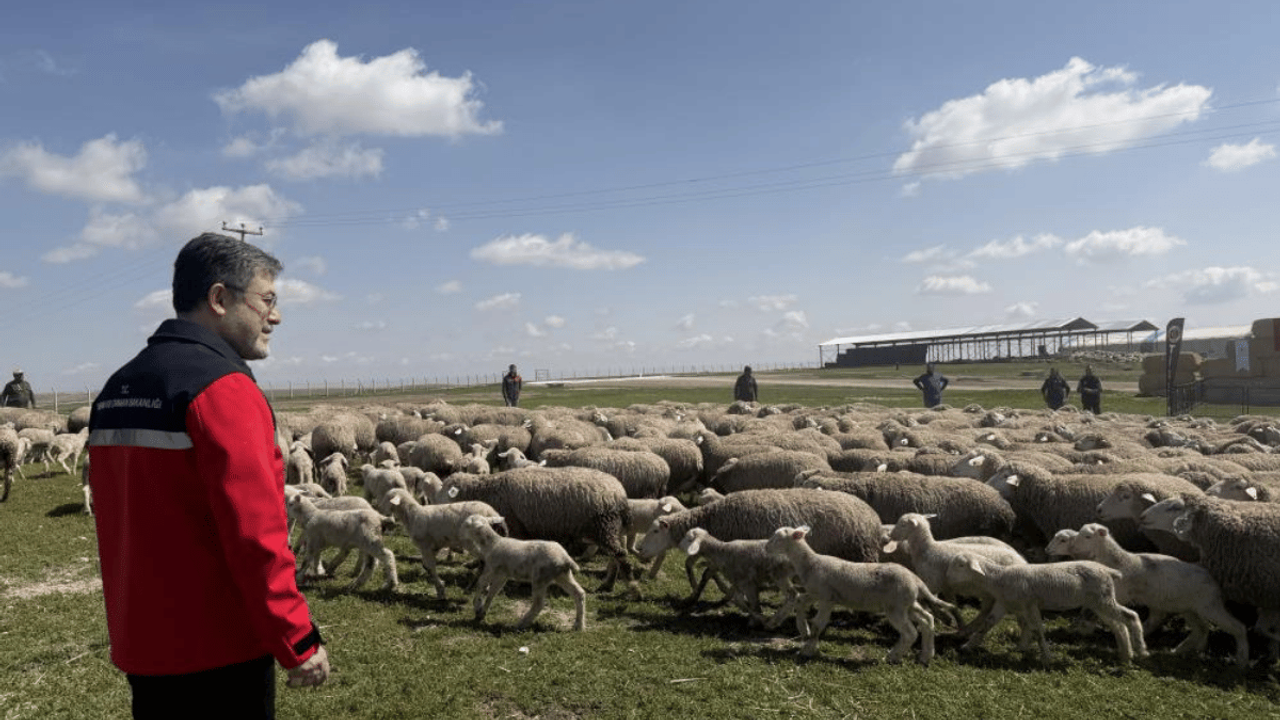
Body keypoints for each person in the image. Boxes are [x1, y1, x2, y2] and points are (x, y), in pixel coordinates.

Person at [88, 233, 328, 719]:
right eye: (267, 300)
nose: (275, 317)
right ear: (219, 299)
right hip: (218, 652)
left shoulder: (118, 387)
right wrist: (296, 637)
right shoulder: (222, 389)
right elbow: (256, 535)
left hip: (145, 642)